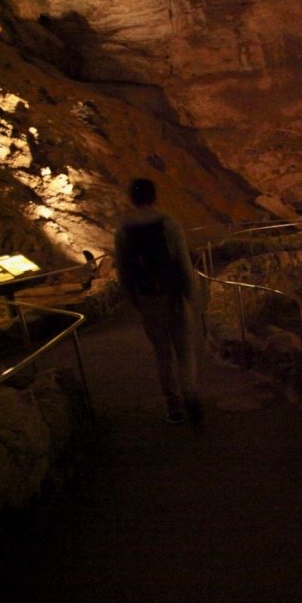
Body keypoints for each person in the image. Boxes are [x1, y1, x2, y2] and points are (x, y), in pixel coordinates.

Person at [114, 178, 202, 426]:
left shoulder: (123, 231)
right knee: (184, 351)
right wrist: (191, 295)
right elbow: (183, 263)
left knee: (162, 354)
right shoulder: (169, 224)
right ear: (155, 196)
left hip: (147, 298)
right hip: (173, 296)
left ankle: (173, 406)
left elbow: (123, 270)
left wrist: (134, 299)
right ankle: (190, 396)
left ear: (132, 198)